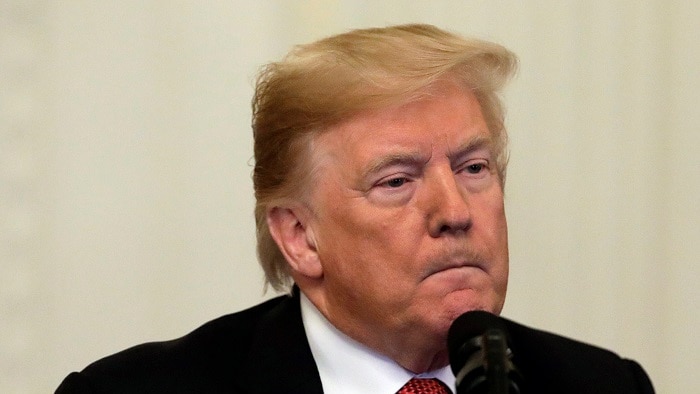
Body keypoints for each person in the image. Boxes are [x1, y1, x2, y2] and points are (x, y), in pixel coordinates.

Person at [55, 24, 654, 393]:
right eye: (397, 181)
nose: (455, 211)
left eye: (474, 168)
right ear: (300, 237)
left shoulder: (602, 385)